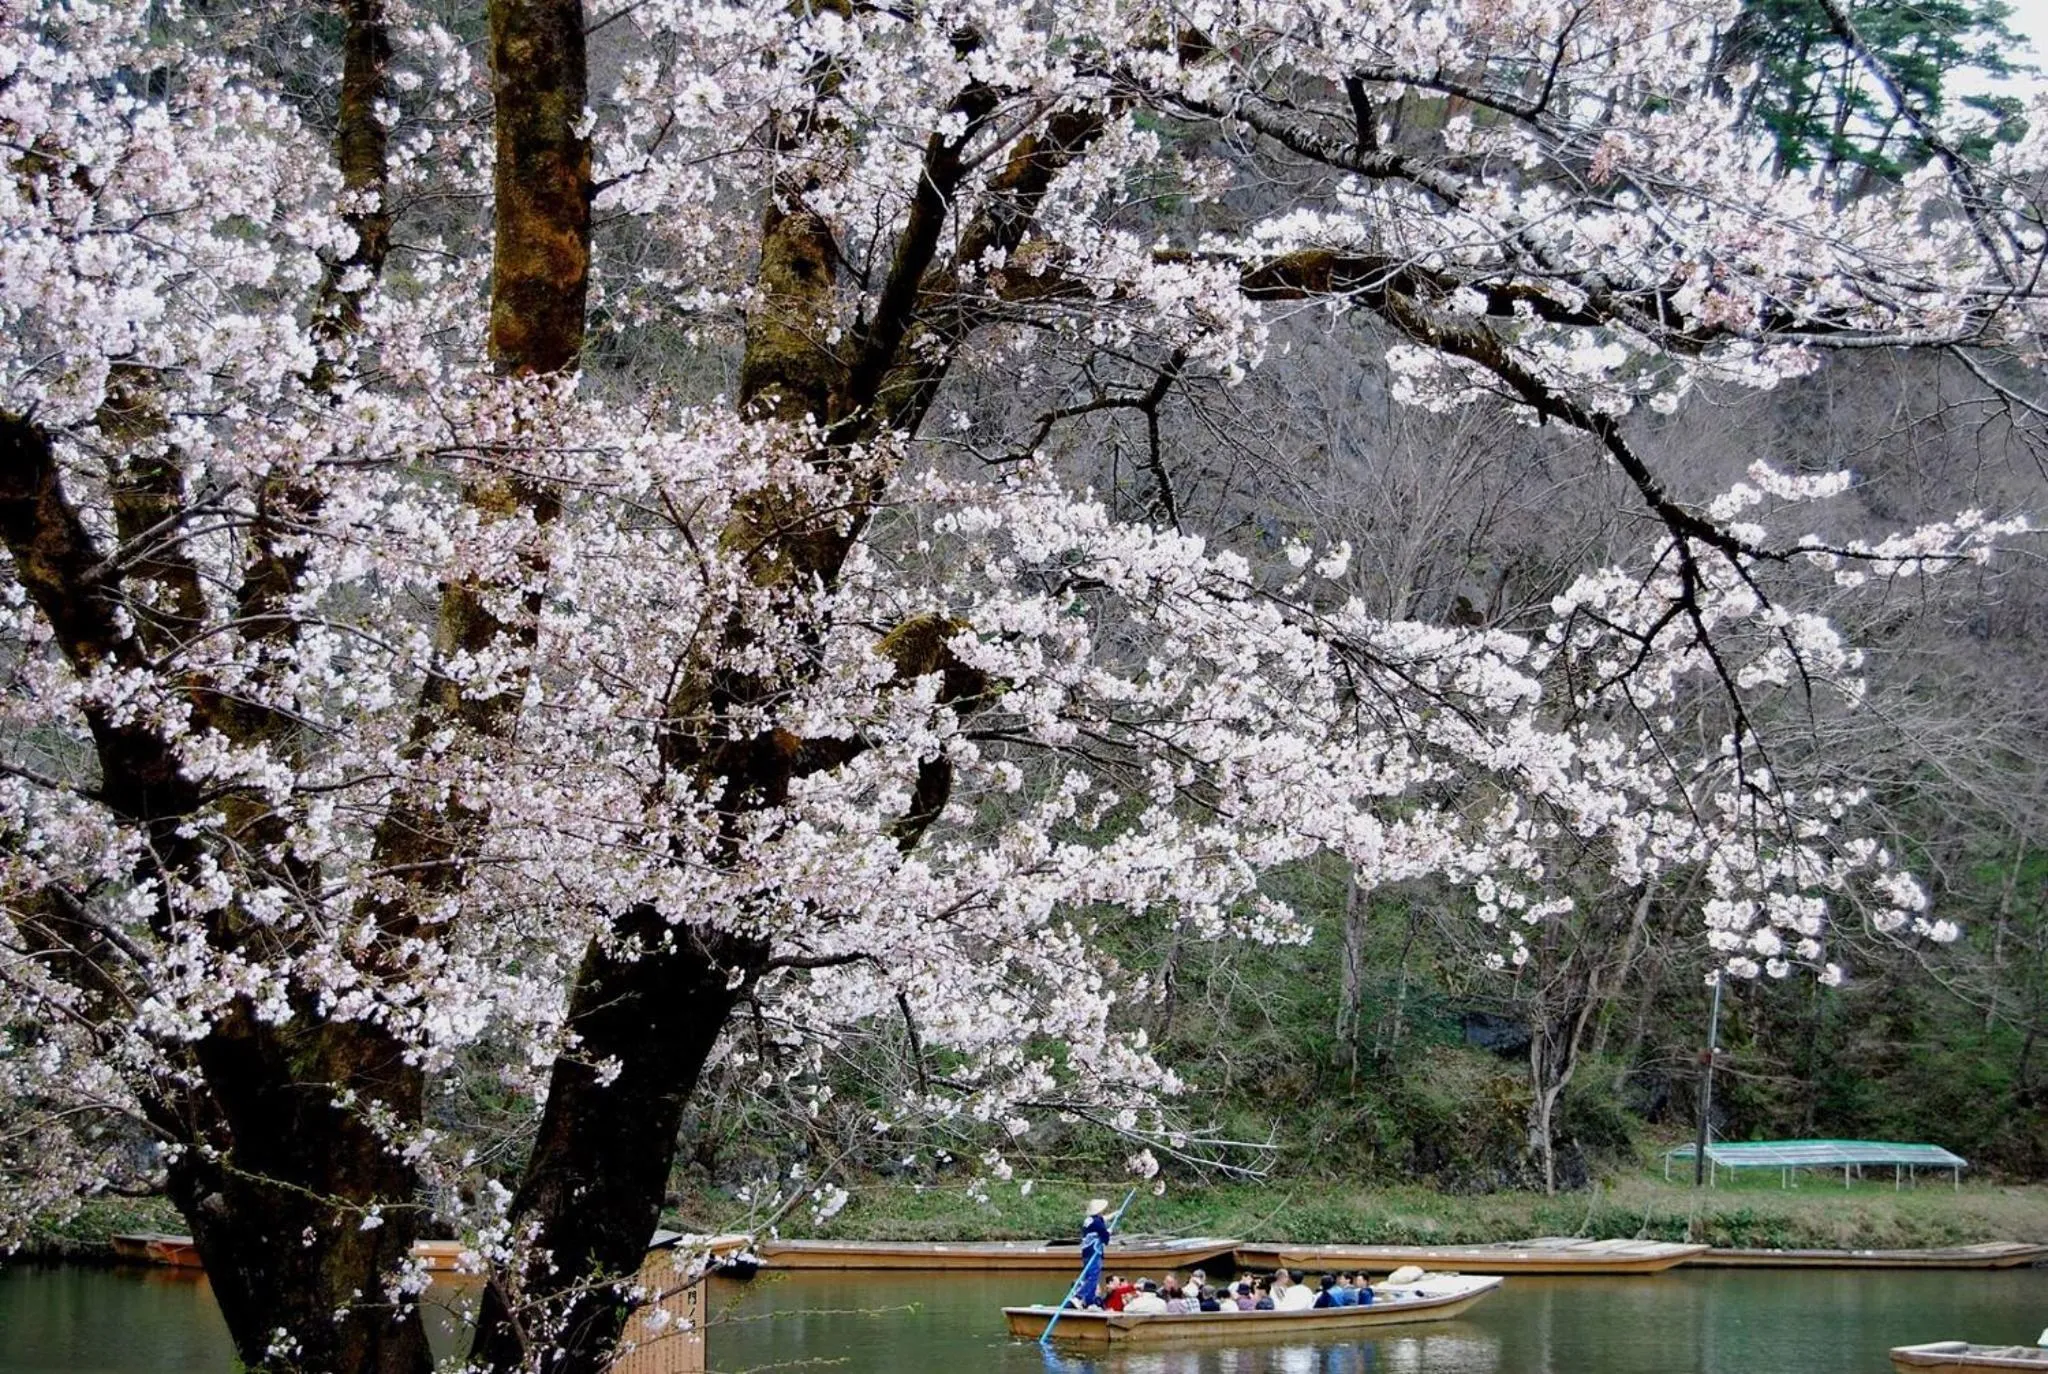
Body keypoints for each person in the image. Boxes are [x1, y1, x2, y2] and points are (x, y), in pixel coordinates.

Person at [1076, 1199, 1112, 1307]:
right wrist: (1108, 1233)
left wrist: (1115, 1214)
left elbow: (1104, 1219)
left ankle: (1089, 1301)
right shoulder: (1097, 1223)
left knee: (1089, 1276)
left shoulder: (1089, 1220)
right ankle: (1079, 1296)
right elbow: (1105, 1237)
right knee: (1093, 1277)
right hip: (1094, 1253)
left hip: (1086, 1253)